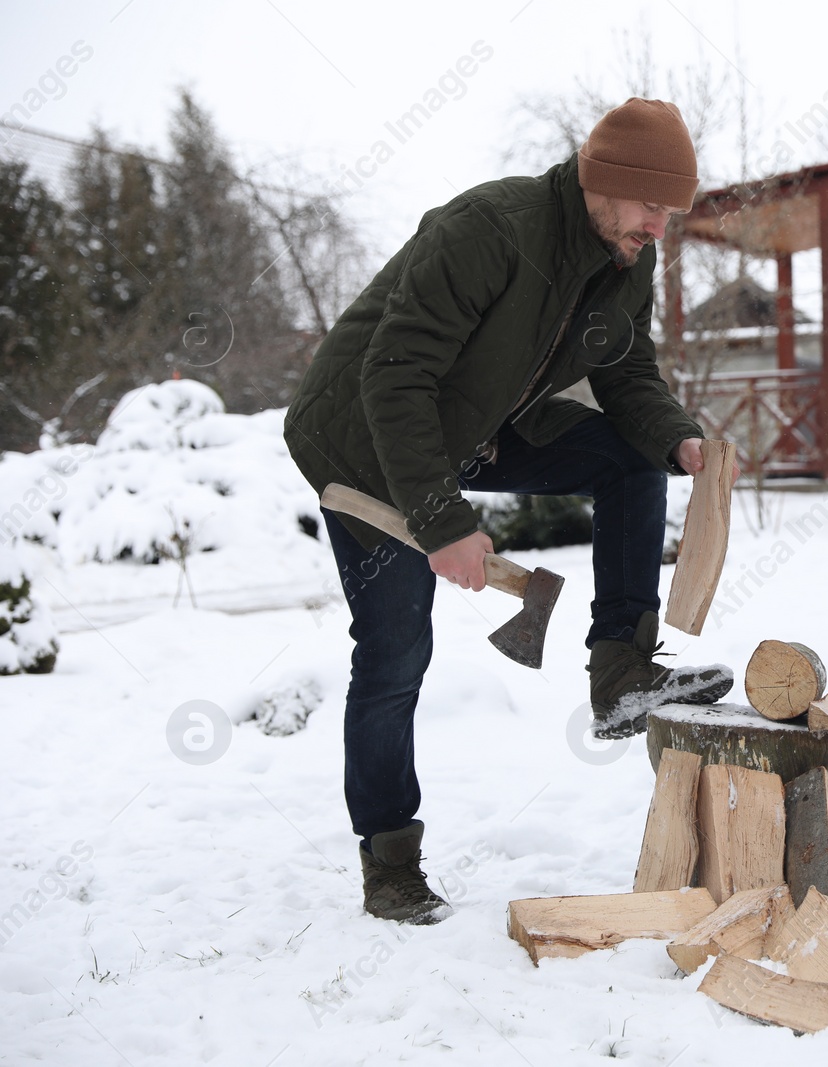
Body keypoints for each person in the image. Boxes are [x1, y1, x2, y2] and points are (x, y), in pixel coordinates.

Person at [283, 98, 735, 924]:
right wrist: (440, 519)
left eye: (671, 212)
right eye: (650, 207)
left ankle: (620, 667)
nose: (658, 229)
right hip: (362, 441)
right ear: (606, 182)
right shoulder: (491, 229)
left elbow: (628, 374)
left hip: (477, 422)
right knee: (395, 650)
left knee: (629, 453)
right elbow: (393, 376)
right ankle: (390, 858)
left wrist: (677, 440)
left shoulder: (628, 263)